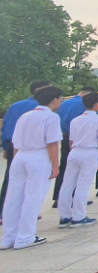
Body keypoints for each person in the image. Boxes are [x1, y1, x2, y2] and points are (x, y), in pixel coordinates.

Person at [1, 85, 63, 249]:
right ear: (54, 99)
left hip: (20, 155)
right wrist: (55, 166)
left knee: (13, 198)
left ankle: (8, 237)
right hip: (39, 156)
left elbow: (15, 142)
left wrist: (16, 160)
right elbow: (52, 143)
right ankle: (25, 236)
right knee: (33, 197)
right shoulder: (51, 117)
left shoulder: (25, 116)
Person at [57, 91, 98, 228]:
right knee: (83, 185)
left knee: (67, 184)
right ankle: (79, 216)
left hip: (74, 152)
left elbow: (71, 140)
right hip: (89, 152)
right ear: (97, 104)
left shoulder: (76, 120)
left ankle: (64, 216)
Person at [2, 80, 51, 217]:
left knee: (11, 180)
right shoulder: (43, 109)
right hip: (35, 150)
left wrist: (6, 147)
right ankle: (28, 212)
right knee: (33, 182)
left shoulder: (16, 106)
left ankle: (4, 213)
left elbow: (6, 126)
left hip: (15, 146)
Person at [53, 86, 95, 207]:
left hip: (65, 136)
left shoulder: (64, 103)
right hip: (79, 139)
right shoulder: (83, 104)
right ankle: (78, 197)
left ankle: (58, 197)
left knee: (65, 166)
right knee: (79, 169)